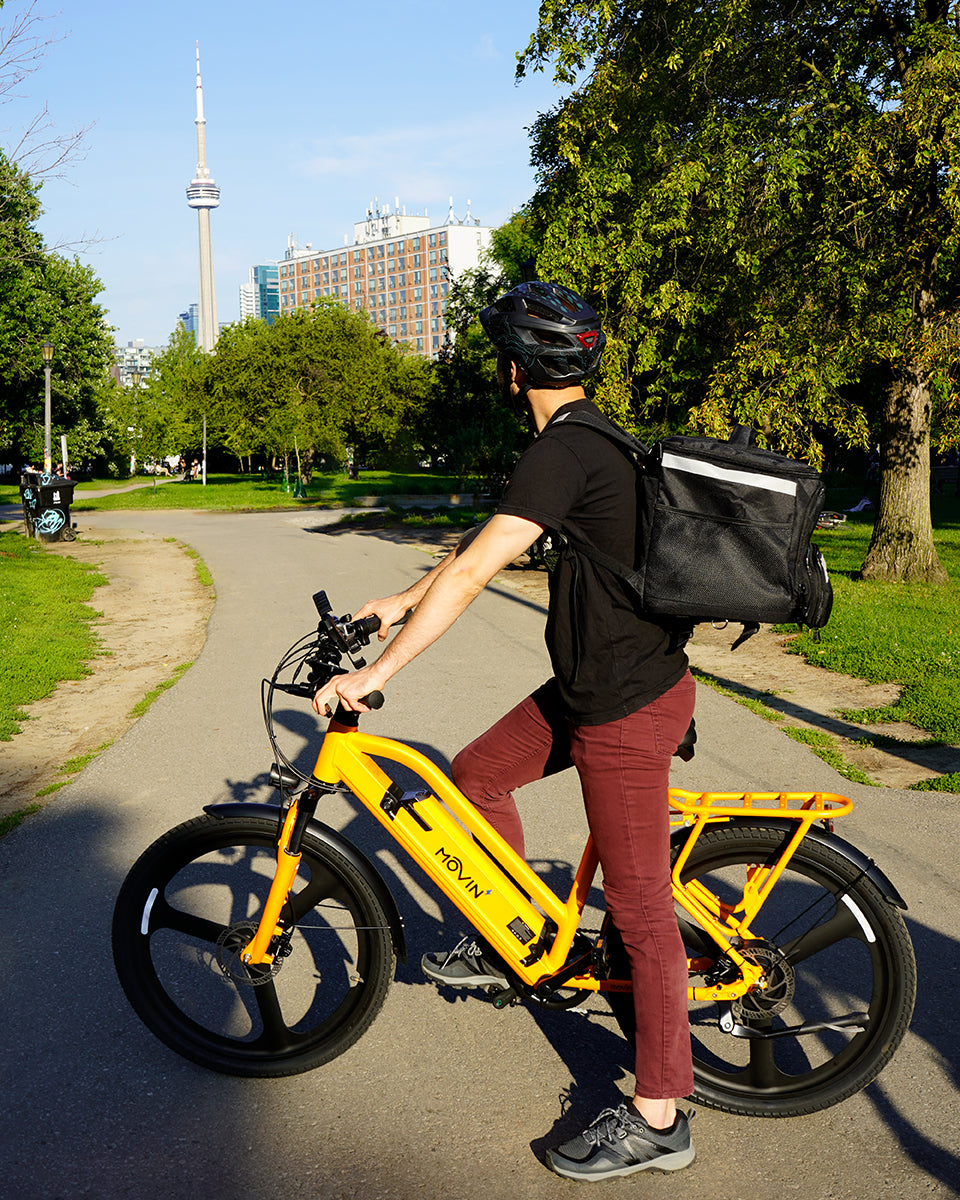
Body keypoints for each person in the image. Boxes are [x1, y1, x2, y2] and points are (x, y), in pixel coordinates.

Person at [312, 281, 696, 1182]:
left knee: (641, 912)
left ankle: (659, 1115)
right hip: (592, 689)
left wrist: (375, 676)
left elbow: (481, 568)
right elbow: (490, 538)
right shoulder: (580, 442)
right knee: (475, 777)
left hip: (624, 707)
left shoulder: (567, 452)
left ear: (515, 366)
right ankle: (510, 932)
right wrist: (395, 604)